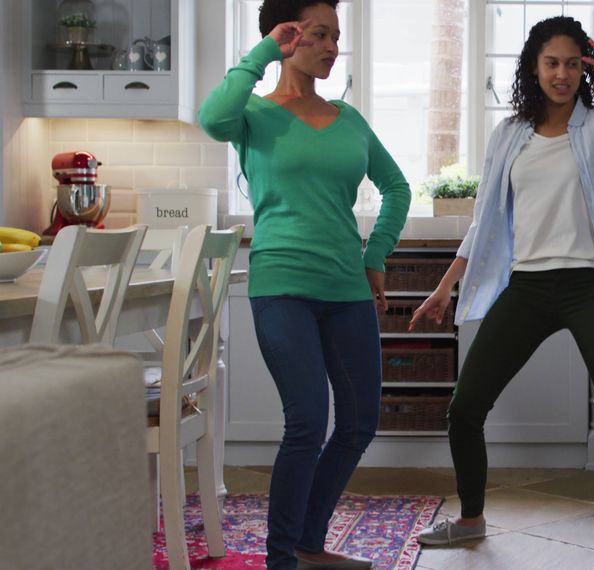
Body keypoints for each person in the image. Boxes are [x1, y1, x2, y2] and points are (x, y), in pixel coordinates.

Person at [407, 16, 594, 566]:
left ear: (584, 70)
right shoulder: (508, 135)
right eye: (551, 63)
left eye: (571, 63)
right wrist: (447, 286)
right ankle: (470, 520)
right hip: (528, 287)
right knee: (466, 407)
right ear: (533, 67)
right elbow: (484, 220)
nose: (561, 74)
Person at [199, 0, 410, 568]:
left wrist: (376, 257)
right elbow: (211, 117)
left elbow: (397, 188)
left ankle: (307, 543)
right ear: (289, 36)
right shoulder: (254, 116)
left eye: (335, 36)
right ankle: (281, 560)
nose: (331, 46)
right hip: (282, 287)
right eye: (319, 34)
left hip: (347, 290)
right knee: (307, 424)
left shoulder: (350, 119)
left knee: (361, 421)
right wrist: (265, 51)